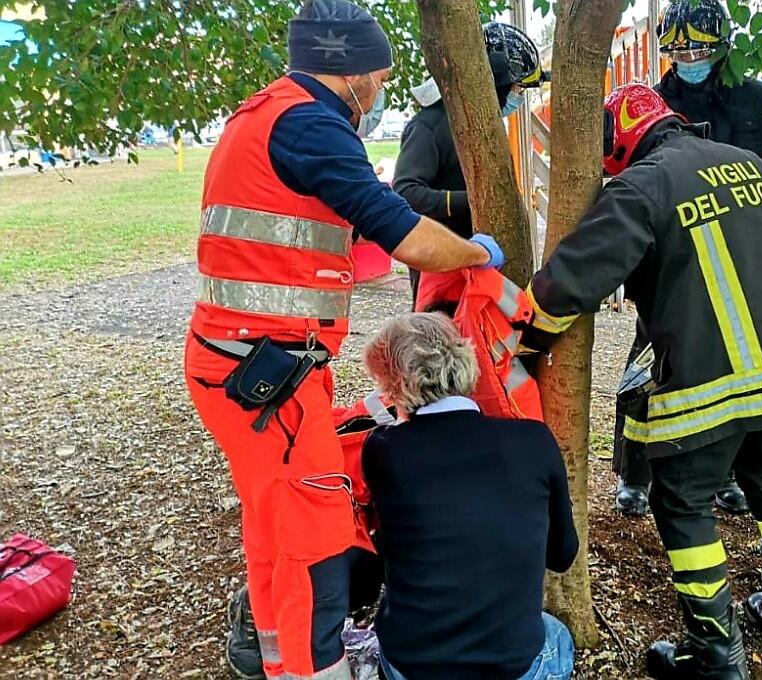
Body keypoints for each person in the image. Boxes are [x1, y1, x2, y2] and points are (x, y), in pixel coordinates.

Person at [182, 1, 505, 678]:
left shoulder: (264, 115)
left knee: (274, 528)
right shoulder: (311, 126)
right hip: (265, 376)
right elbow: (406, 234)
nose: (380, 90)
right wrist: (476, 254)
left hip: (248, 364)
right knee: (317, 540)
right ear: (350, 69)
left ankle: (274, 659)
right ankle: (316, 669)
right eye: (379, 77)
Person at [524, 84, 762, 679]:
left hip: (709, 384)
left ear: (619, 142)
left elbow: (568, 284)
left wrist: (525, 343)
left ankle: (715, 654)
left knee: (682, 502)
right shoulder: (756, 168)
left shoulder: (641, 187)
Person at [608, 0, 762, 518]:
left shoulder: (758, 99)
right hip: (675, 259)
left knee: (743, 369)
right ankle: (635, 473)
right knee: (646, 367)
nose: (688, 59)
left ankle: (732, 475)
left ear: (721, 46)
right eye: (677, 51)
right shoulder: (652, 101)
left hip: (744, 251)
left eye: (698, 49)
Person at [360, 313, 578, 680]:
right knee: (555, 633)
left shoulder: (384, 450)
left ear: (395, 386)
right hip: (512, 663)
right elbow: (562, 555)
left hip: (414, 664)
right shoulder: (534, 440)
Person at [393, 21, 547, 306]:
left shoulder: (484, 128)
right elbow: (406, 193)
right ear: (497, 82)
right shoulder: (429, 126)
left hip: (479, 264)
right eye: (516, 88)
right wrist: (473, 200)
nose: (517, 96)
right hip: (441, 268)